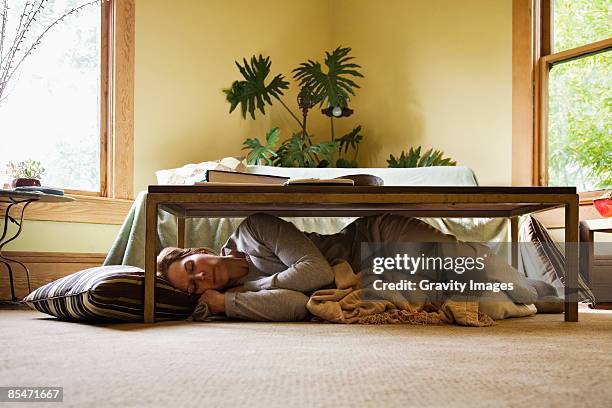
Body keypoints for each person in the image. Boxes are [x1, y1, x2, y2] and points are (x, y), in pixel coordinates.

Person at [157, 213, 540, 321]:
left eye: (193, 267)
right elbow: (295, 304)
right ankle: (532, 299)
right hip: (379, 278)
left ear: (200, 250)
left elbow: (316, 273)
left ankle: (511, 277)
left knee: (516, 288)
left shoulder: (255, 229)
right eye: (192, 286)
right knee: (486, 306)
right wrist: (232, 304)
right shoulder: (237, 299)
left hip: (377, 239)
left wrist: (256, 288)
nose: (201, 278)